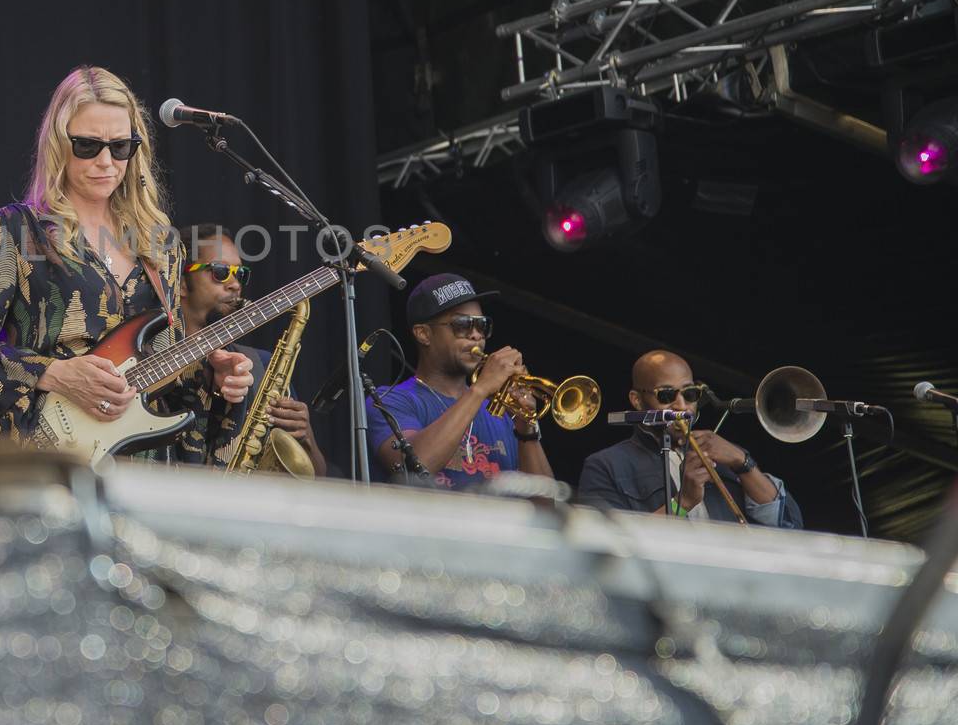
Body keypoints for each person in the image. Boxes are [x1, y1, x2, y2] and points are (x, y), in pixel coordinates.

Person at [0, 66, 253, 448]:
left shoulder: (160, 243)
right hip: (40, 451)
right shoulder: (17, 231)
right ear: (58, 146)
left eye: (120, 147)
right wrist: (54, 373)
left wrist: (211, 377)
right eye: (88, 146)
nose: (106, 162)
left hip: (135, 465)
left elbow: (164, 368)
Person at [365, 273, 554, 489]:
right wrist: (481, 388)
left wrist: (526, 428)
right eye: (462, 324)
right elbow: (418, 467)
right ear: (423, 334)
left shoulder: (501, 413)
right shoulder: (389, 401)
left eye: (481, 325)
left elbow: (544, 505)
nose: (476, 336)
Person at [576, 350, 802, 527]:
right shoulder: (606, 465)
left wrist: (743, 462)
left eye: (690, 394)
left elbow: (786, 523)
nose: (682, 406)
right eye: (666, 395)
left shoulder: (725, 455)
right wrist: (682, 502)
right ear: (636, 400)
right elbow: (606, 545)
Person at [171, 223, 329, 475]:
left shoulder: (263, 364)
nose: (234, 284)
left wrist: (305, 435)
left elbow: (317, 476)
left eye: (240, 273)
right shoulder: (150, 360)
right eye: (220, 272)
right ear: (179, 283)